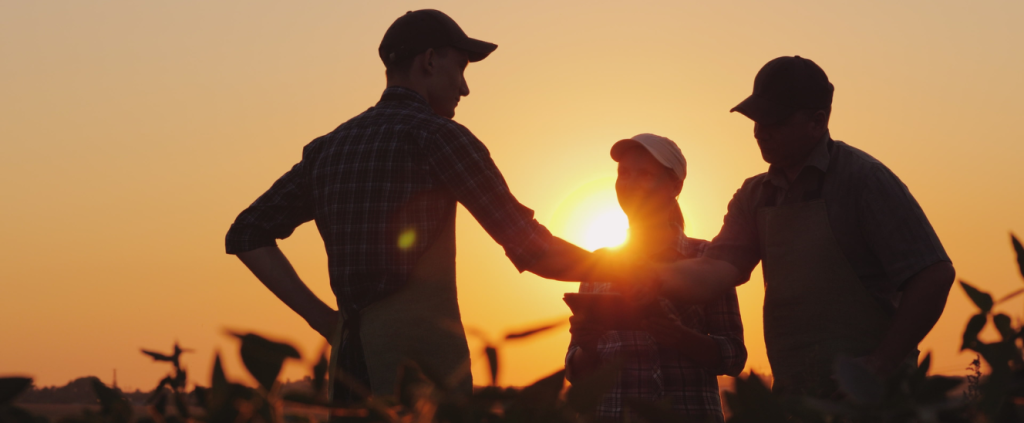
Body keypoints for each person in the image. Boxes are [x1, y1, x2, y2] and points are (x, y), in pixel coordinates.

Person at [224, 9, 626, 404]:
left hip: (347, 374)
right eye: (461, 68)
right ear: (430, 61)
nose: (465, 88)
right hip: (423, 385)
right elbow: (534, 250)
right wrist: (632, 272)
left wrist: (325, 321)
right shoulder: (439, 138)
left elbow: (247, 233)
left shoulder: (328, 149)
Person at [650, 56, 956, 397]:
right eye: (756, 119)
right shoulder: (755, 196)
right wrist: (639, 275)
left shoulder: (864, 181)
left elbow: (933, 275)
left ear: (817, 121)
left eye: (775, 120)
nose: (761, 130)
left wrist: (881, 365)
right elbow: (715, 270)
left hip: (875, 403)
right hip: (796, 398)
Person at [565, 134, 746, 422]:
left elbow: (735, 356)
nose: (631, 183)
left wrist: (681, 338)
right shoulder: (598, 263)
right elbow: (575, 370)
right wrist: (587, 345)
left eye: (645, 174)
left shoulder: (707, 258)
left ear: (675, 186)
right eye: (624, 173)